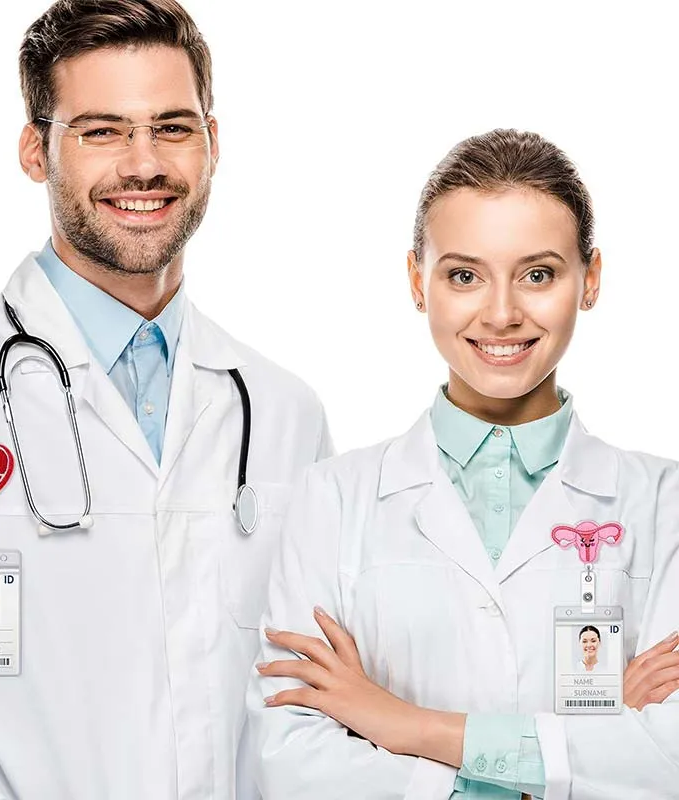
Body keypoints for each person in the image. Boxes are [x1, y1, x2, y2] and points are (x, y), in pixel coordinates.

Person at [0, 1, 331, 798]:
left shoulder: (283, 413)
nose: (143, 164)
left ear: (213, 144)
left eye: (173, 127)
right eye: (101, 130)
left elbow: (321, 701)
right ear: (34, 149)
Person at [249, 129, 679, 800]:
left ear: (590, 279)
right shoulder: (333, 497)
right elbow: (291, 766)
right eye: (464, 275)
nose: (502, 313)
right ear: (418, 280)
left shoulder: (663, 502)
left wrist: (401, 724)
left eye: (538, 274)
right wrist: (572, 755)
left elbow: (667, 763)